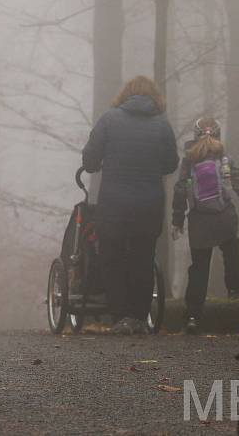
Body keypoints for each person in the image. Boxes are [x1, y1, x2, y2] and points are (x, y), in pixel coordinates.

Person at [82, 76, 179, 335]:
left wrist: (100, 163)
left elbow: (90, 159)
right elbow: (171, 163)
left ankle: (119, 316)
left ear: (124, 95)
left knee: (111, 258)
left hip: (114, 204)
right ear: (154, 97)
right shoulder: (162, 126)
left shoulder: (109, 120)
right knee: (143, 258)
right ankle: (138, 317)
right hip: (149, 204)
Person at [171, 117, 239, 333]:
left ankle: (192, 316)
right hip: (224, 217)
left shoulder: (189, 160)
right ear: (218, 134)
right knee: (231, 250)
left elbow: (181, 189)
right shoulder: (224, 157)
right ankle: (235, 287)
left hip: (199, 221)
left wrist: (177, 220)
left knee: (199, 268)